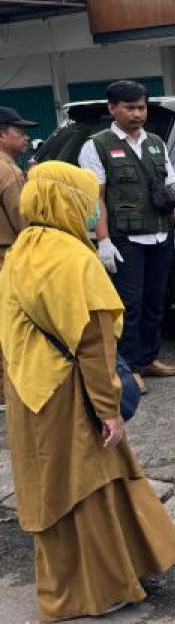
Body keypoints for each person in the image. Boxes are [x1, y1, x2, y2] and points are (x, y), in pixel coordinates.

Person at [0, 162, 175, 622]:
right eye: (90, 202)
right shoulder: (74, 258)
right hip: (70, 392)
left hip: (29, 390)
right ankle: (100, 589)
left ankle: (75, 583)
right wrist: (110, 411)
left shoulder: (22, 250)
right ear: (69, 202)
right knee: (91, 488)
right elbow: (94, 346)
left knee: (52, 488)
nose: (94, 211)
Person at [79, 80, 175, 394]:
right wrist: (102, 240)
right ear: (112, 108)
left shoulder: (156, 142)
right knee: (129, 304)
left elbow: (169, 192)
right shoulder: (97, 146)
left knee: (156, 302)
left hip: (159, 234)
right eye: (130, 108)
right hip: (124, 239)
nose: (137, 113)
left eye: (141, 107)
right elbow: (96, 198)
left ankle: (148, 358)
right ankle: (128, 368)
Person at [0, 106, 34, 407]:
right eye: (19, 130)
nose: (25, 136)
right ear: (2, 134)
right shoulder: (9, 172)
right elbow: (24, 223)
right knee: (10, 324)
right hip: (7, 256)